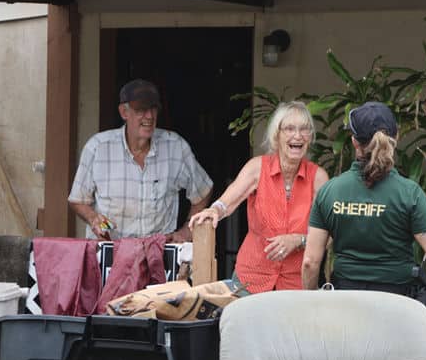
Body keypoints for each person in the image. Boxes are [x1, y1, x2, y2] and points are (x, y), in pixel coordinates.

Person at [302, 101, 426, 331]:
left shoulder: (330, 191)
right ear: (395, 138)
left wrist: (311, 301)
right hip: (396, 306)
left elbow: (310, 262)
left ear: (354, 141)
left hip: (345, 304)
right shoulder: (409, 193)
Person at [189, 101, 329, 293]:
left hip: (297, 286)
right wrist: (214, 210)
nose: (297, 135)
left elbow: (330, 236)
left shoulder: (318, 177)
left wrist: (299, 240)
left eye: (304, 129)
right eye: (289, 128)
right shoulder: (258, 167)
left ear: (311, 136)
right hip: (251, 280)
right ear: (276, 135)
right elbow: (226, 203)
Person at [68, 79, 213, 242]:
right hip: (112, 250)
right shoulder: (98, 148)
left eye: (153, 109)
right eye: (141, 110)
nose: (150, 116)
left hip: (158, 253)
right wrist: (93, 218)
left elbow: (203, 191)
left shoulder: (176, 147)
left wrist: (186, 232)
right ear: (124, 112)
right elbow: (78, 200)